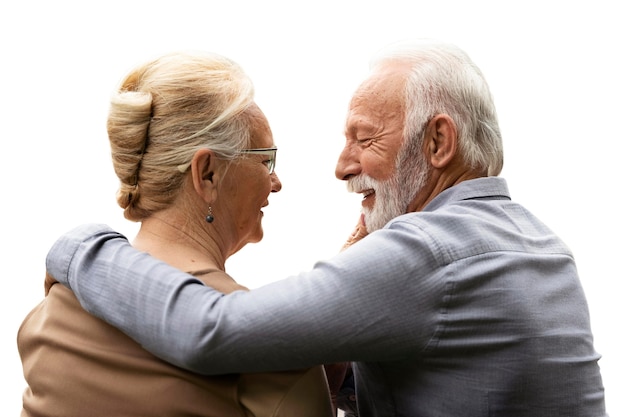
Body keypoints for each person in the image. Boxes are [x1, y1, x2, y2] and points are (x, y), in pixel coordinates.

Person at [41, 39, 607, 416]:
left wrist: (80, 249)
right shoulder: (538, 245)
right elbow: (455, 386)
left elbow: (213, 330)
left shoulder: (429, 253)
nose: (341, 166)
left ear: (438, 143)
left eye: (364, 139)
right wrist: (332, 364)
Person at [17, 51, 344, 416]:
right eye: (265, 159)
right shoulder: (268, 350)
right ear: (207, 173)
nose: (276, 182)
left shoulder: (49, 315)